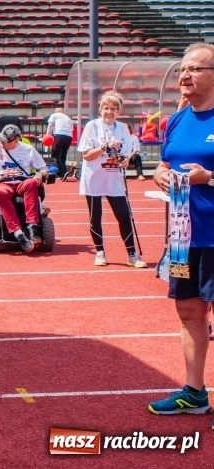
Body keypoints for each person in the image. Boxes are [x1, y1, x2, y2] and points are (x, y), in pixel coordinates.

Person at [147, 43, 214, 420]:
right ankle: (194, 391)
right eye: (182, 70)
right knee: (189, 311)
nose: (185, 76)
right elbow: (165, 163)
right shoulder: (177, 118)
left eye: (195, 69)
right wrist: (159, 173)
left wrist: (210, 178)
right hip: (183, 237)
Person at [77, 91, 148, 268]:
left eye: (113, 109)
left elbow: (125, 154)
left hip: (114, 177)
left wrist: (125, 161)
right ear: (100, 110)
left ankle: (132, 254)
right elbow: (87, 156)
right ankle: (100, 252)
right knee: (95, 216)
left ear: (119, 111)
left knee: (124, 215)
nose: (109, 112)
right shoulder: (92, 126)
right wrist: (105, 146)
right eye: (106, 108)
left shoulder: (123, 128)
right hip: (94, 177)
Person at [0, 124, 49, 253]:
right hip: (3, 182)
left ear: (16, 141)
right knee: (0, 192)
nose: (1, 142)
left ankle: (33, 227)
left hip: (21, 182)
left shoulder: (28, 149)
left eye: (5, 141)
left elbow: (44, 168)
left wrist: (39, 174)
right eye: (1, 139)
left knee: (31, 183)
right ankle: (18, 234)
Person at [45, 107, 73, 180]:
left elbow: (50, 125)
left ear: (55, 111)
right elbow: (71, 129)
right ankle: (61, 173)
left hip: (59, 135)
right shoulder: (68, 118)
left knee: (55, 154)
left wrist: (47, 135)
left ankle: (63, 171)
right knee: (63, 155)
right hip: (69, 137)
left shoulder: (54, 115)